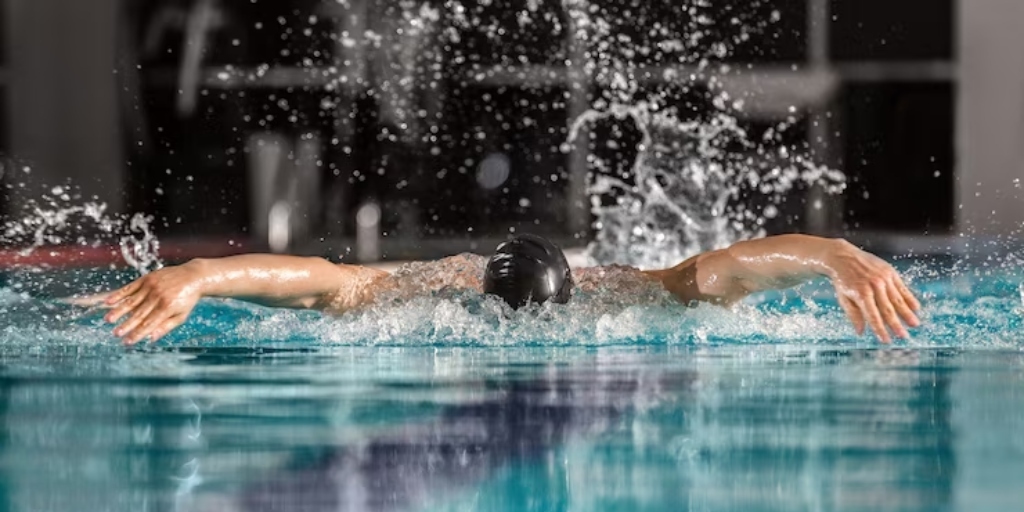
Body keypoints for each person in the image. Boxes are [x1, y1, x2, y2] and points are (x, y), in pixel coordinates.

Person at [97, 233, 921, 345]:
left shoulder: (623, 292)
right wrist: (201, 274)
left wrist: (832, 253)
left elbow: (731, 266)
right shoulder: (430, 289)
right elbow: (324, 283)